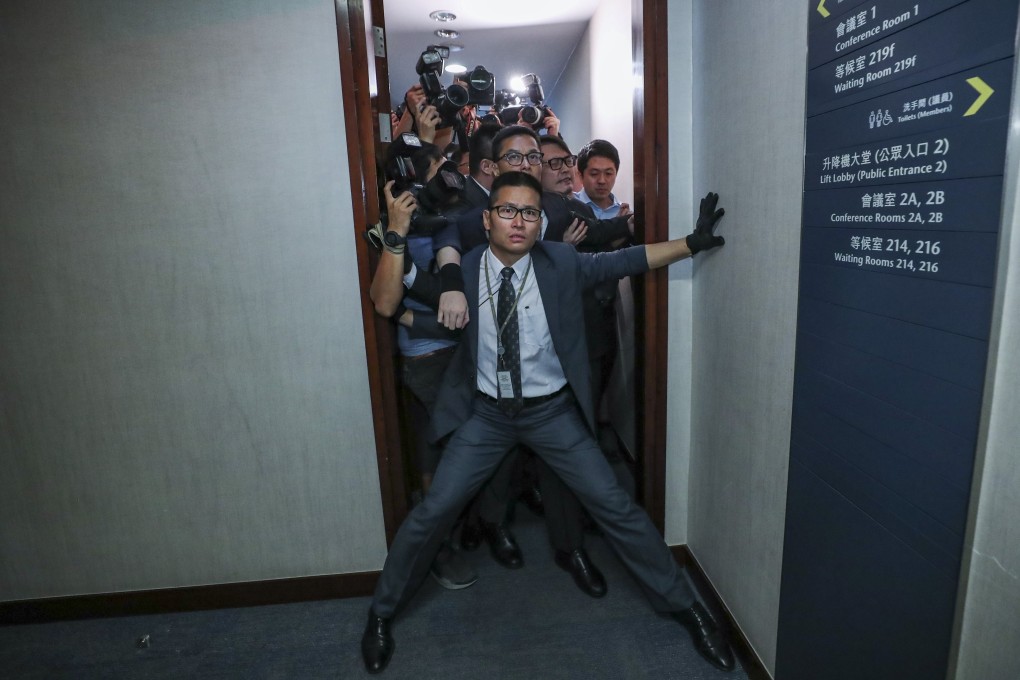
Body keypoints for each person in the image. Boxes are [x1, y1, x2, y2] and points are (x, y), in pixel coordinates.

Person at [361, 171, 736, 674]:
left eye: (530, 212)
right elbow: (387, 300)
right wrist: (397, 234)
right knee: (434, 511)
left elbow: (627, 259)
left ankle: (688, 608)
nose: (519, 221)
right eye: (508, 211)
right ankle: (381, 613)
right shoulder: (465, 268)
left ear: (541, 223)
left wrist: (691, 243)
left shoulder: (560, 261)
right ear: (488, 218)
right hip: (489, 416)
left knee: (614, 504)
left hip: (552, 412)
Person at [575, 139, 630, 220]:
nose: (602, 181)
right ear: (580, 176)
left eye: (608, 173)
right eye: (594, 174)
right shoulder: (569, 206)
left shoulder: (624, 213)